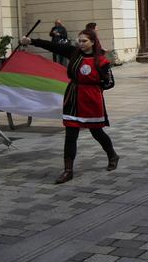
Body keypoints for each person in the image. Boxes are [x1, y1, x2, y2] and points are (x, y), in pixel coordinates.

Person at [20, 29, 118, 184]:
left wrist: (95, 86)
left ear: (92, 41)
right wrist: (31, 41)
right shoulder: (74, 53)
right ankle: (68, 170)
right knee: (71, 134)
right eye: (79, 40)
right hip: (73, 97)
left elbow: (110, 83)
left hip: (91, 99)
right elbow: (53, 46)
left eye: (84, 41)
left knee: (97, 132)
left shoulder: (101, 61)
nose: (80, 43)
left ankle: (112, 155)